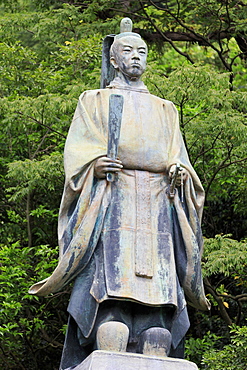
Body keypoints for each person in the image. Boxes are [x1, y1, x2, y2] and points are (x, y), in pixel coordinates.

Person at [29, 18, 210, 369]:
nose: (136, 58)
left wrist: (178, 172)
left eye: (142, 51)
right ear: (113, 59)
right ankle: (109, 321)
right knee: (111, 268)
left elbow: (179, 158)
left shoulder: (165, 109)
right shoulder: (95, 101)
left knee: (160, 276)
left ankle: (156, 326)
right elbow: (79, 152)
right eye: (127, 51)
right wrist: (94, 166)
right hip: (114, 196)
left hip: (159, 200)